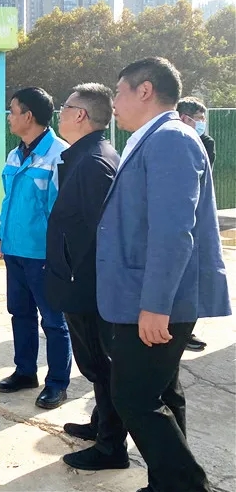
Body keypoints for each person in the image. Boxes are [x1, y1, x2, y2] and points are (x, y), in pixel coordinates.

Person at [99, 57, 230, 492]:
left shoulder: (171, 139)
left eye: (118, 92)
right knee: (162, 394)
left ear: (145, 90)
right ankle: (165, 484)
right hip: (145, 295)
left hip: (156, 300)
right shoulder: (152, 138)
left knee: (133, 398)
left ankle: (188, 486)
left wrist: (155, 305)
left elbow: (174, 231)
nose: (114, 103)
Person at [44, 84, 127, 471]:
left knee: (100, 364)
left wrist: (81, 279)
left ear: (80, 115)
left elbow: (105, 236)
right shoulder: (84, 156)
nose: (60, 113)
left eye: (65, 107)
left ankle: (111, 447)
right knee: (95, 364)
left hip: (88, 286)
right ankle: (100, 424)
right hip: (78, 280)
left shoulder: (94, 163)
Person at [0, 87, 72, 409]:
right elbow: (8, 201)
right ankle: (25, 372)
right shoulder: (15, 155)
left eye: (12, 111)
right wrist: (1, 236)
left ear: (28, 116)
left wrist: (60, 253)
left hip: (43, 254)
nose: (9, 118)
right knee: (20, 313)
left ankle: (57, 383)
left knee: (53, 320)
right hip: (14, 249)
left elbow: (62, 211)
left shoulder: (60, 155)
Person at [176, 96, 216, 352]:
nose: (202, 123)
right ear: (184, 118)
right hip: (175, 215)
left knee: (193, 275)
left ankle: (185, 329)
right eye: (199, 119)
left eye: (203, 119)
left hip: (196, 214)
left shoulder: (205, 142)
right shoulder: (168, 139)